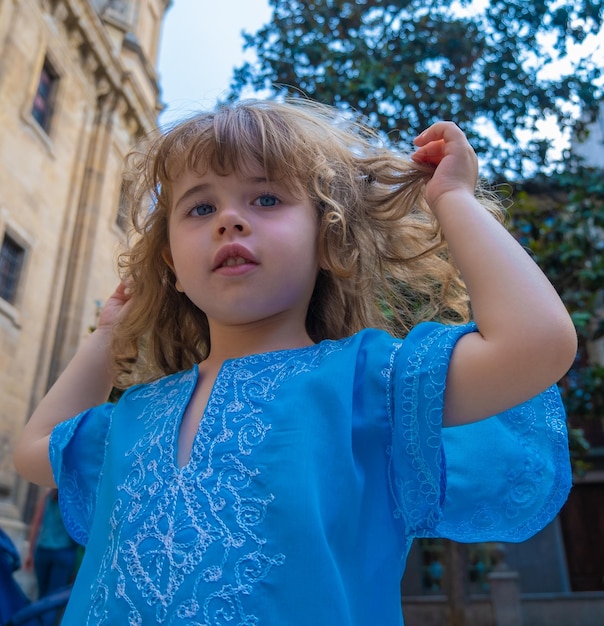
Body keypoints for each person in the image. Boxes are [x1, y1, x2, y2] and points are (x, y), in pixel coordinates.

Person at [13, 98, 577, 625]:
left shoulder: (368, 381)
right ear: (172, 266)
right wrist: (109, 336)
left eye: (266, 199)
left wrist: (452, 198)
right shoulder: (136, 412)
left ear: (328, 240)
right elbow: (34, 452)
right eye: (201, 206)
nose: (228, 220)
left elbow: (537, 344)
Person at [24, 488, 78, 625]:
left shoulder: (47, 494)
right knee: (53, 599)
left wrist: (30, 552)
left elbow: (36, 522)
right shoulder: (74, 496)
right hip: (64, 553)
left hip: (43, 551)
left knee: (42, 596)